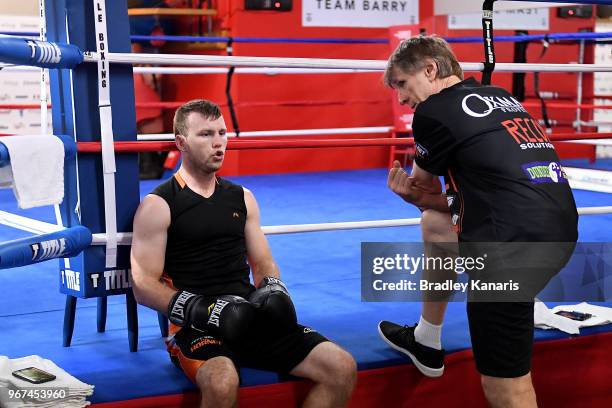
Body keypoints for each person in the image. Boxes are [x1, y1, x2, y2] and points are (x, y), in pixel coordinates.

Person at [378, 36, 578, 408]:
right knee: (435, 223)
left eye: (403, 85)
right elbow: (488, 188)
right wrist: (421, 200)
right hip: (560, 230)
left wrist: (413, 192)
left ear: (430, 69)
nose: (401, 99)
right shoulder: (503, 98)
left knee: (505, 386)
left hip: (511, 251)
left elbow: (422, 181)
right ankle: (427, 337)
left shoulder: (434, 111)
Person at [130, 99, 356, 408]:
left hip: (247, 313)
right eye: (206, 134)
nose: (218, 143)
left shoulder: (242, 198)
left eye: (222, 133)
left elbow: (262, 262)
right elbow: (142, 284)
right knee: (223, 382)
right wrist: (199, 308)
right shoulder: (159, 205)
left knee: (341, 367)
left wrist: (273, 291)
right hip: (194, 328)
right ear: (181, 142)